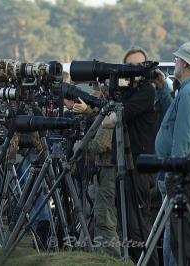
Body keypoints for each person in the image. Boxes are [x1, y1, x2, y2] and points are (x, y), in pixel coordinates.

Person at [109, 45, 159, 265]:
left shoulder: (148, 90)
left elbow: (120, 115)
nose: (135, 70)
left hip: (140, 164)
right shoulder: (127, 91)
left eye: (139, 65)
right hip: (124, 162)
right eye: (130, 66)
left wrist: (102, 116)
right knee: (126, 226)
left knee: (139, 225)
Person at [153, 42, 190, 265]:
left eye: (177, 60)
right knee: (174, 235)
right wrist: (162, 87)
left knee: (178, 237)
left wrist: (175, 170)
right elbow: (171, 120)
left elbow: (184, 136)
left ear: (185, 63)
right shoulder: (186, 89)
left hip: (179, 175)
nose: (175, 63)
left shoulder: (189, 92)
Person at [72, 85, 121, 258]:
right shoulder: (114, 110)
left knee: (104, 217)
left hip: (108, 171)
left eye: (100, 88)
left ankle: (111, 257)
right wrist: (88, 111)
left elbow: (100, 145)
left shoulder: (113, 111)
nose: (97, 92)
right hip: (108, 170)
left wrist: (81, 146)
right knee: (106, 216)